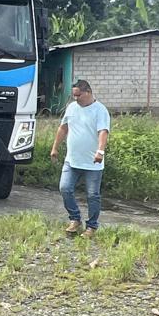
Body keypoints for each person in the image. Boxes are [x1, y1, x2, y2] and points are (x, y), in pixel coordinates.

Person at [50, 79, 111, 238]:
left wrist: (100, 151)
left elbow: (103, 132)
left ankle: (91, 227)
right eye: (74, 95)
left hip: (93, 163)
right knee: (65, 188)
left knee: (92, 195)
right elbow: (63, 128)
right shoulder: (71, 108)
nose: (76, 98)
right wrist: (55, 148)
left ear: (88, 92)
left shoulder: (100, 110)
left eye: (79, 95)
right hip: (72, 160)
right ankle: (75, 219)